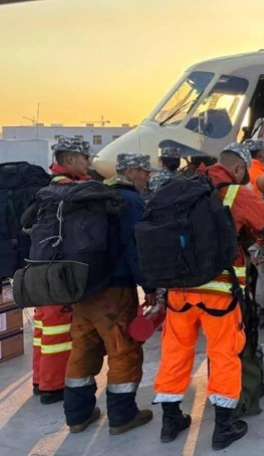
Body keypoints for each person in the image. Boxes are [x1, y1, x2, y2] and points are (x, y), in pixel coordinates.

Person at [153, 143, 264, 450]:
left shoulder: (182, 188)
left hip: (179, 289)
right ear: (238, 168)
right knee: (224, 354)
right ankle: (224, 426)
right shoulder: (235, 193)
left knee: (175, 353)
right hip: (219, 292)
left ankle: (170, 421)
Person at [63, 153, 156, 435]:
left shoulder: (90, 197)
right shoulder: (130, 201)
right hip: (115, 292)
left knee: (82, 348)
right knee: (122, 351)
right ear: (131, 171)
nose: (147, 178)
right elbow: (136, 248)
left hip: (83, 289)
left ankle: (78, 416)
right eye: (145, 172)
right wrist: (149, 286)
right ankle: (122, 416)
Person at [27, 137, 91, 405]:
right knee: (57, 331)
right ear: (69, 160)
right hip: (58, 270)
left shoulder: (47, 189)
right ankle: (53, 387)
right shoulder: (70, 192)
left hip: (38, 266)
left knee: (43, 328)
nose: (88, 162)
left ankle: (40, 379)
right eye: (85, 157)